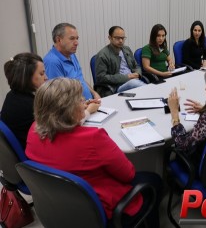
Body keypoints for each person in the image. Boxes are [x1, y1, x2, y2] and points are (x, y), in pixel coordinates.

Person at [25, 78, 162, 227]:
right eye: (79, 100)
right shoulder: (93, 138)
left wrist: (83, 114)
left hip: (59, 205)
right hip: (100, 211)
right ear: (69, 110)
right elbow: (128, 174)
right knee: (154, 180)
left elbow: (62, 126)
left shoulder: (33, 131)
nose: (84, 102)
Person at [43, 23, 100, 101]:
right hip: (76, 109)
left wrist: (94, 93)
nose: (77, 43)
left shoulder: (71, 54)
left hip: (88, 103)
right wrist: (86, 108)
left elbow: (81, 80)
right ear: (58, 39)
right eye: (72, 38)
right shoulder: (52, 62)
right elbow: (59, 98)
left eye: (77, 38)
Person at [1, 53, 47, 149]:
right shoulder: (28, 105)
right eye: (41, 74)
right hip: (33, 153)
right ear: (27, 77)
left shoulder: (12, 95)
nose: (46, 77)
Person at [95, 26, 146, 97]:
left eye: (122, 38)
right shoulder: (102, 55)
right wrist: (127, 77)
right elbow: (101, 77)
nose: (121, 41)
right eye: (117, 38)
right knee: (134, 84)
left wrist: (138, 73)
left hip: (133, 80)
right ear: (110, 38)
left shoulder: (126, 49)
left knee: (136, 85)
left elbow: (136, 65)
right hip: (116, 87)